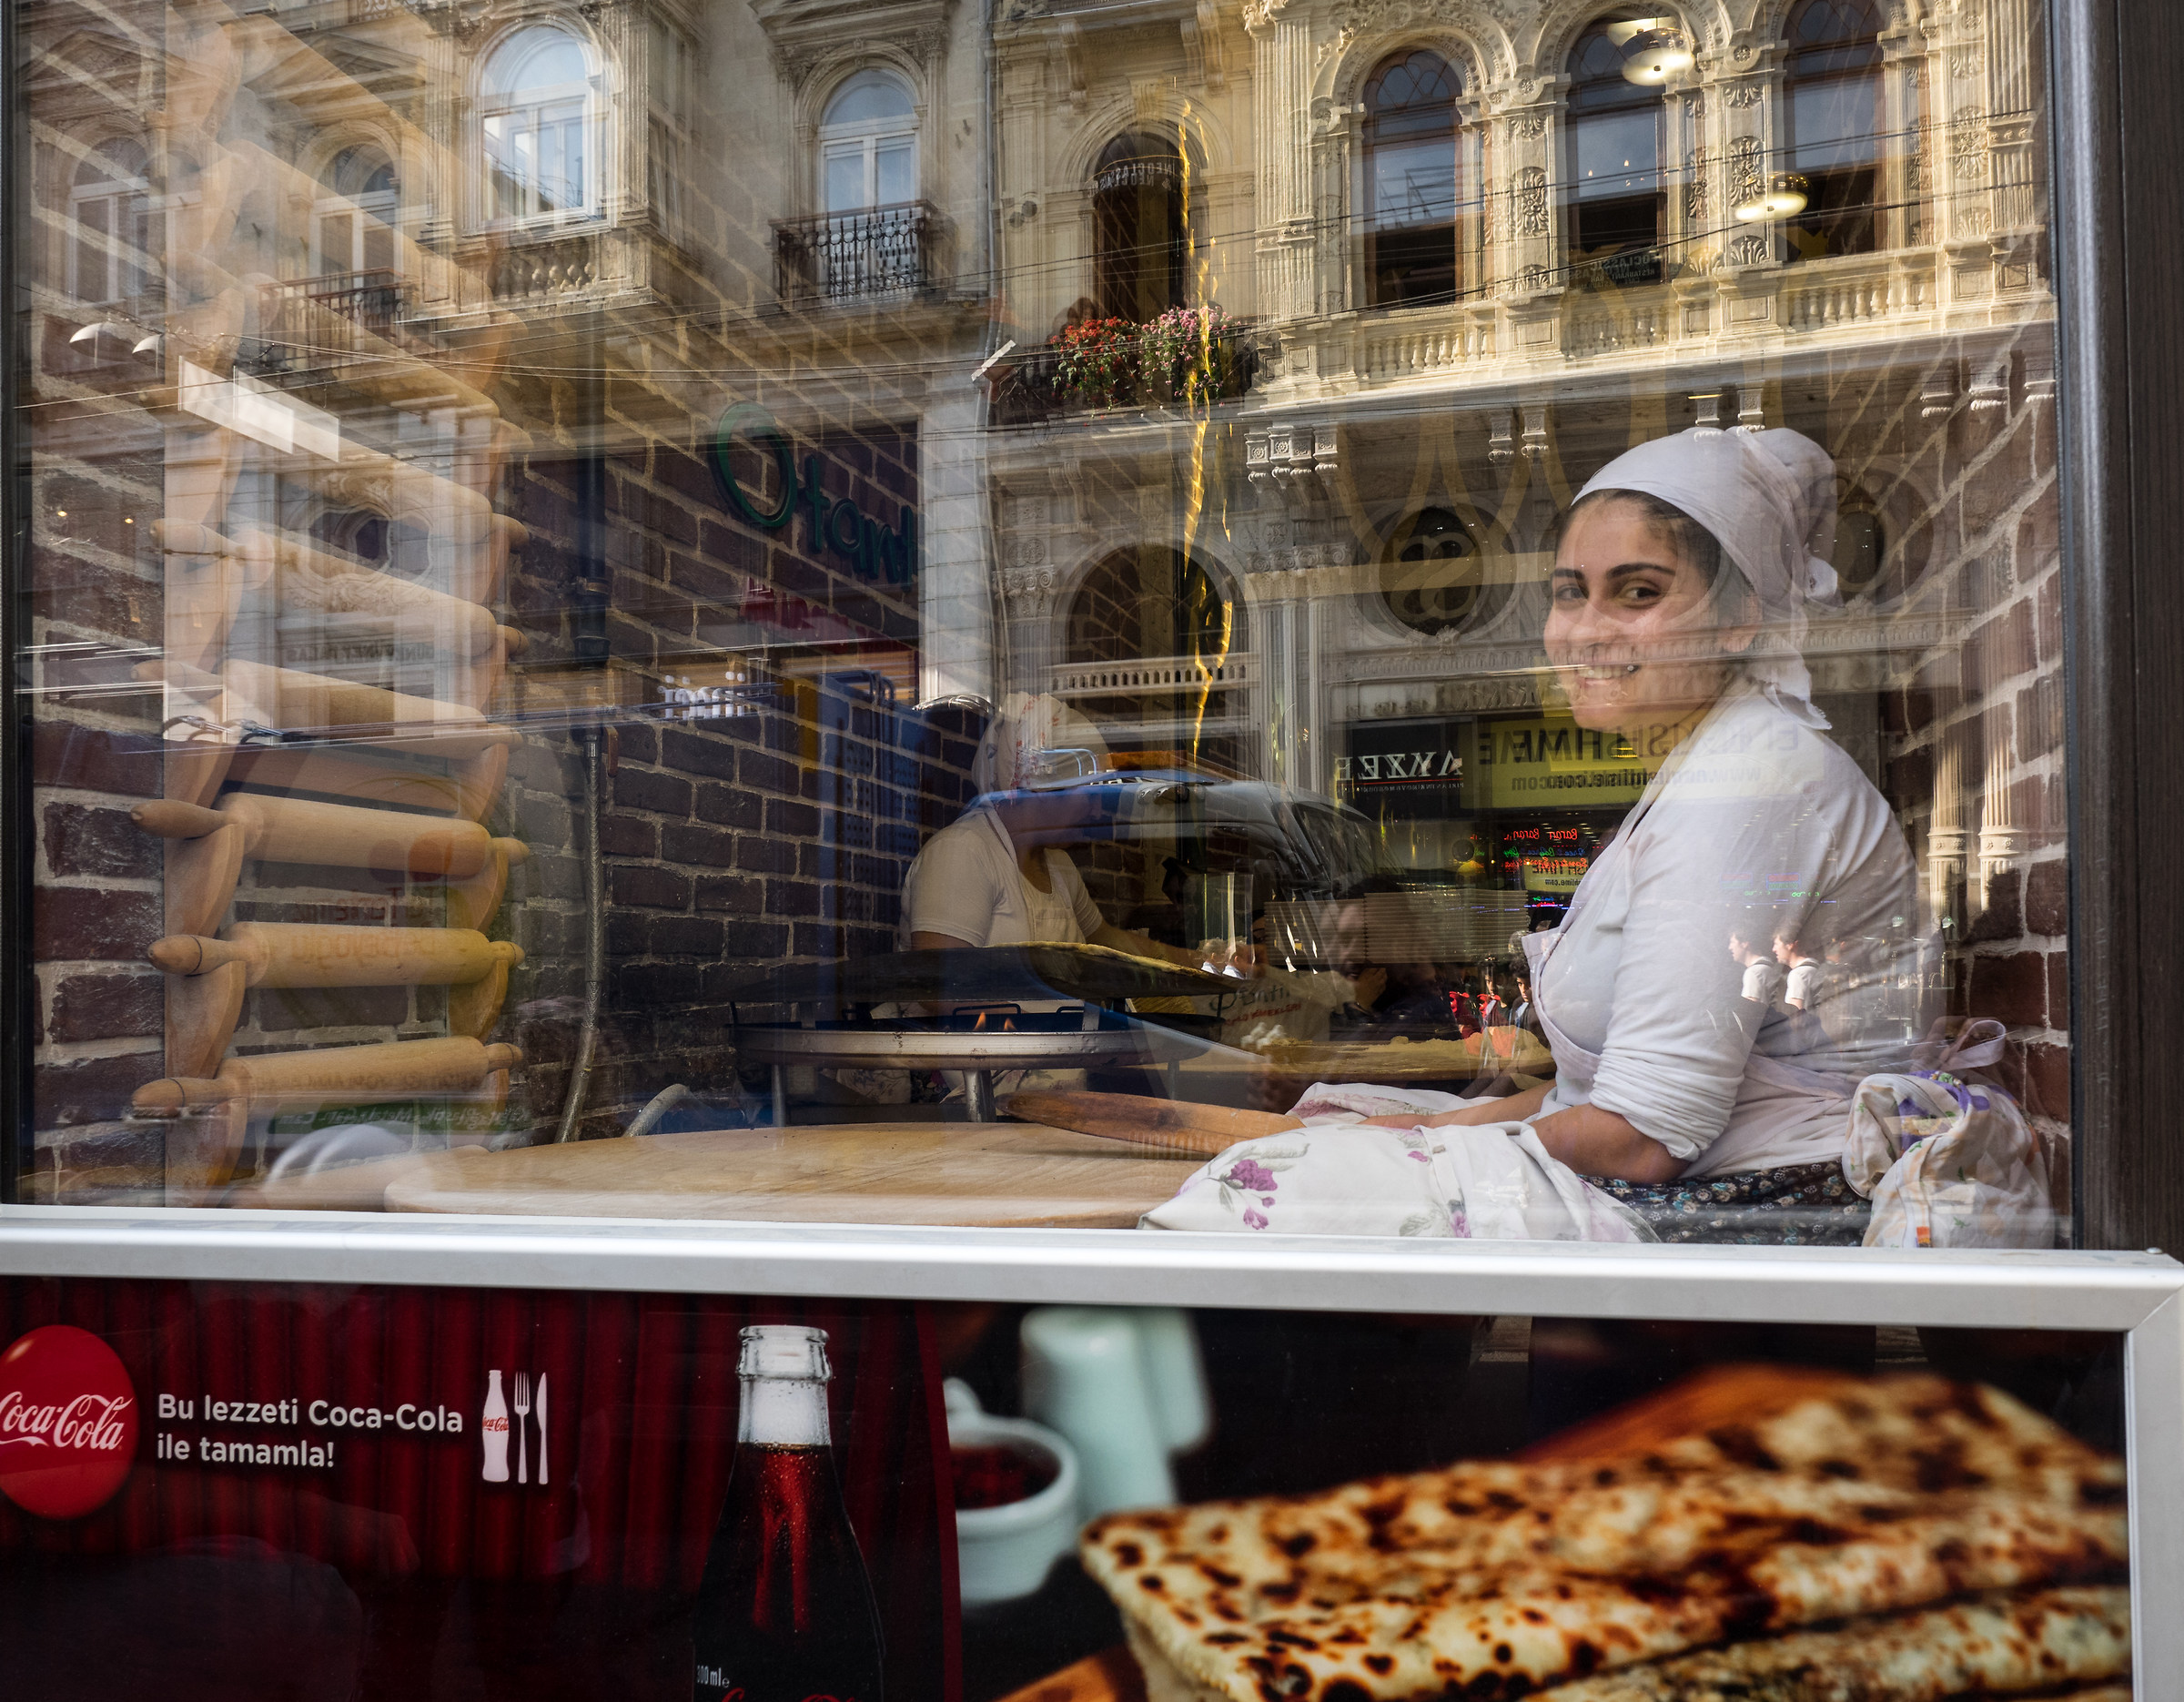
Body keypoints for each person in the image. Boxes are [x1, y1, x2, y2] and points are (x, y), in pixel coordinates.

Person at [1148, 428, 1932, 1245]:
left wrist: (1419, 1143)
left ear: (1741, 618)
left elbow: (1645, 1135)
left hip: (1733, 1221)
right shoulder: (1709, 767)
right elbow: (1580, 1102)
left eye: (1637, 593)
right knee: (1334, 1119)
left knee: (1260, 1193)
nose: (1584, 631)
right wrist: (1410, 1125)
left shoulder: (1750, 777)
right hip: (1683, 1189)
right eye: (1569, 591)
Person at [1731, 929, 1787, 1007]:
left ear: (1745, 943)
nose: (1730, 947)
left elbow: (1749, 1010)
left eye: (1732, 942)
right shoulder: (1769, 967)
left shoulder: (1754, 972)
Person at [1774, 925, 1825, 1010]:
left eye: (1776, 944)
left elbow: (1795, 1016)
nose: (1774, 949)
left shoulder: (1797, 975)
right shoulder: (1816, 967)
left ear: (1790, 945)